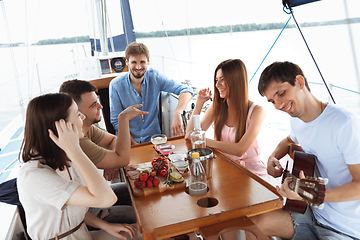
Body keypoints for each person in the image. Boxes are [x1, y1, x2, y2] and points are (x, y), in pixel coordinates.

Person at [251, 61, 360, 239]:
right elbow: (288, 141)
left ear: (299, 82)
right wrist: (273, 157)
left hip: (345, 228)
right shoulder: (297, 119)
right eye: (272, 101)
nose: (278, 105)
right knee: (254, 224)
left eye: (281, 93)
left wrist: (310, 195)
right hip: (312, 214)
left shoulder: (344, 123)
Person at [17, 93, 140, 240]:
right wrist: (74, 149)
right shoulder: (35, 176)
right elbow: (107, 198)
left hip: (81, 233)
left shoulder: (61, 156)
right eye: (77, 114)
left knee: (139, 233)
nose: (83, 118)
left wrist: (105, 225)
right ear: (61, 126)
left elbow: (73, 209)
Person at [60, 79, 148, 226]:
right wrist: (123, 119)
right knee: (144, 217)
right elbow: (123, 160)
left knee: (136, 188)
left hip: (95, 195)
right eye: (94, 105)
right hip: (88, 212)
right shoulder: (77, 139)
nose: (100, 106)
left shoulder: (86, 127)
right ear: (77, 111)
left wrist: (111, 161)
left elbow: (113, 140)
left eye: (97, 101)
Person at [185, 59, 269, 180]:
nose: (217, 85)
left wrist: (202, 140)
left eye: (222, 79)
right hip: (226, 169)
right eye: (216, 80)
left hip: (253, 174)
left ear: (236, 80)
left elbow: (239, 149)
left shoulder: (257, 111)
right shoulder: (217, 107)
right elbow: (189, 134)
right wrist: (199, 103)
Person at [109, 42, 193, 144]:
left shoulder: (155, 77)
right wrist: (134, 146)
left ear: (148, 62)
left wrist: (177, 112)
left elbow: (186, 90)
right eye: (134, 62)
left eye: (142, 62)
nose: (138, 67)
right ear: (127, 62)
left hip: (154, 141)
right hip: (128, 143)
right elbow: (116, 121)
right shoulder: (115, 85)